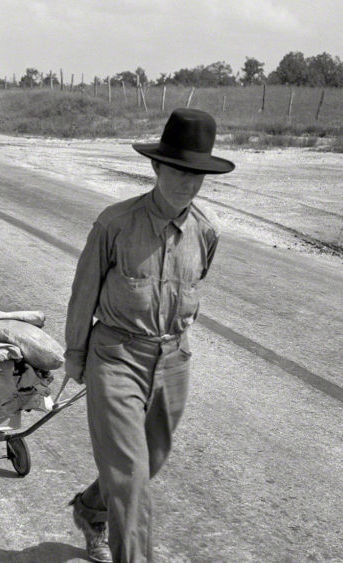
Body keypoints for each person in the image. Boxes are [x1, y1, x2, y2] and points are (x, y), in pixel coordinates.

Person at [64, 108, 234, 563]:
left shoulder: (206, 231)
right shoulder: (114, 224)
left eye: (197, 173)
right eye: (178, 170)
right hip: (115, 356)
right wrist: (75, 355)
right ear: (156, 167)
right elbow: (84, 293)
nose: (188, 182)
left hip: (173, 361)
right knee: (132, 476)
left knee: (150, 460)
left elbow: (194, 286)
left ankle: (92, 508)